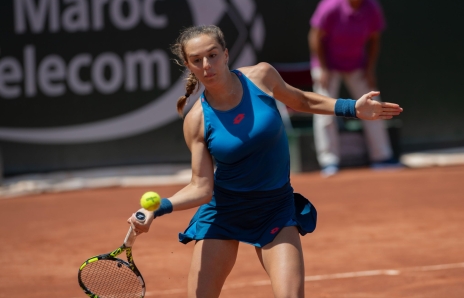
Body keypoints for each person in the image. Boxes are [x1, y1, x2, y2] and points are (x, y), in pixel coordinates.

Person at [128, 25, 402, 298]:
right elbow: (201, 187)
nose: (207, 65)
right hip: (225, 212)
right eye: (197, 60)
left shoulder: (261, 76)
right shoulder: (196, 121)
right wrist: (158, 209)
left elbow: (302, 100)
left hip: (275, 208)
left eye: (212, 55)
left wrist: (351, 107)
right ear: (189, 66)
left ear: (225, 54)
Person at [308, 0, 398, 177]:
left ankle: (382, 157)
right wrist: (324, 69)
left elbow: (374, 40)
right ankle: (329, 161)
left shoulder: (371, 8)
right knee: (323, 110)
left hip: (357, 64)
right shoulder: (331, 6)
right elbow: (315, 36)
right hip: (328, 65)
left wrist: (369, 69)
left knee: (374, 106)